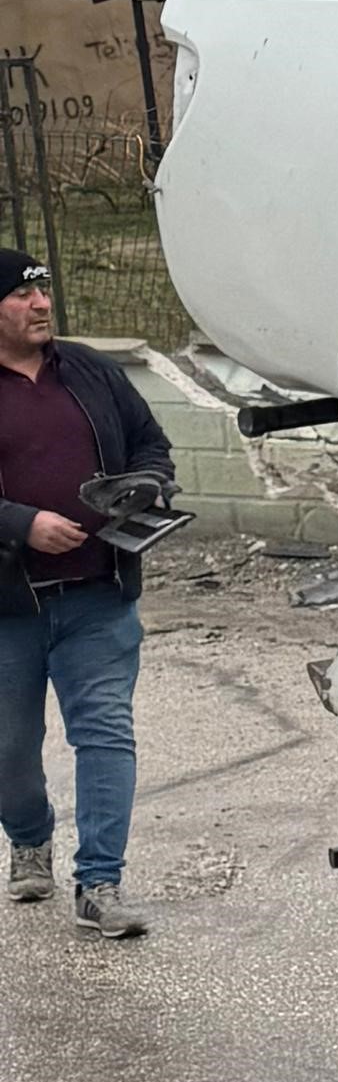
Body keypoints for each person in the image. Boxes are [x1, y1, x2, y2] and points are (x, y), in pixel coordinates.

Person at [0, 249, 172, 939]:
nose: (42, 304)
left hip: (100, 594)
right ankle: (28, 838)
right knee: (9, 748)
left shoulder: (92, 371)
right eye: (22, 295)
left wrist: (146, 485)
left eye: (43, 291)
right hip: (8, 610)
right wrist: (21, 524)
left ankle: (100, 882)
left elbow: (151, 444)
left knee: (105, 734)